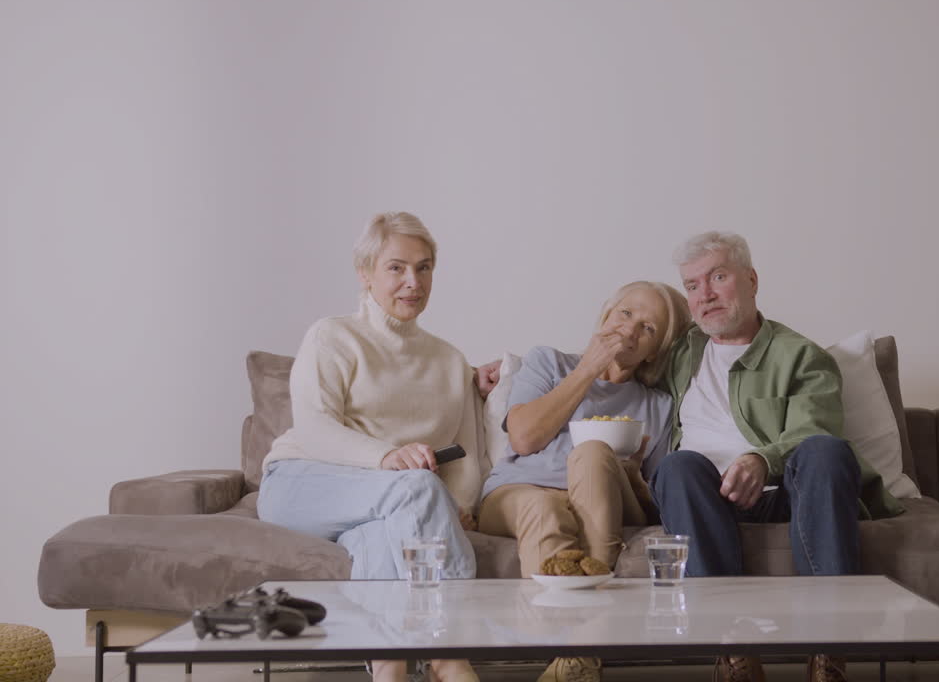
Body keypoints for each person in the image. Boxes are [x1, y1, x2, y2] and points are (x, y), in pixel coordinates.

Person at [653, 231, 904, 682]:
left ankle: (828, 653)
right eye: (692, 286)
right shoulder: (680, 353)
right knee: (676, 466)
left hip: (787, 491)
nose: (705, 294)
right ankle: (733, 651)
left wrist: (759, 460)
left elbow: (816, 428)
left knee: (826, 451)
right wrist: (507, 372)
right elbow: (616, 362)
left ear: (750, 280)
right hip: (703, 497)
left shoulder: (801, 356)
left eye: (718, 277)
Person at [257, 212, 493, 682]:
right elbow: (314, 427)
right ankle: (449, 654)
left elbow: (465, 452)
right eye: (396, 267)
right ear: (365, 273)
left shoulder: (449, 360)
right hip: (302, 481)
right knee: (415, 488)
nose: (413, 281)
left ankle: (390, 668)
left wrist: (461, 503)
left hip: (381, 507)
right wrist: (385, 458)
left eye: (424, 268)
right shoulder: (333, 335)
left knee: (381, 537)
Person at [478, 280, 691, 682]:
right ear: (606, 315)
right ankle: (580, 653)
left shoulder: (658, 406)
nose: (629, 330)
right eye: (626, 314)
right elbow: (524, 438)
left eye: (648, 328)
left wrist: (629, 472)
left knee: (593, 452)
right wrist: (589, 369)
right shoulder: (547, 363)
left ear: (656, 350)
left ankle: (573, 658)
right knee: (545, 507)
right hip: (518, 492)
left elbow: (655, 502)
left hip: (604, 492)